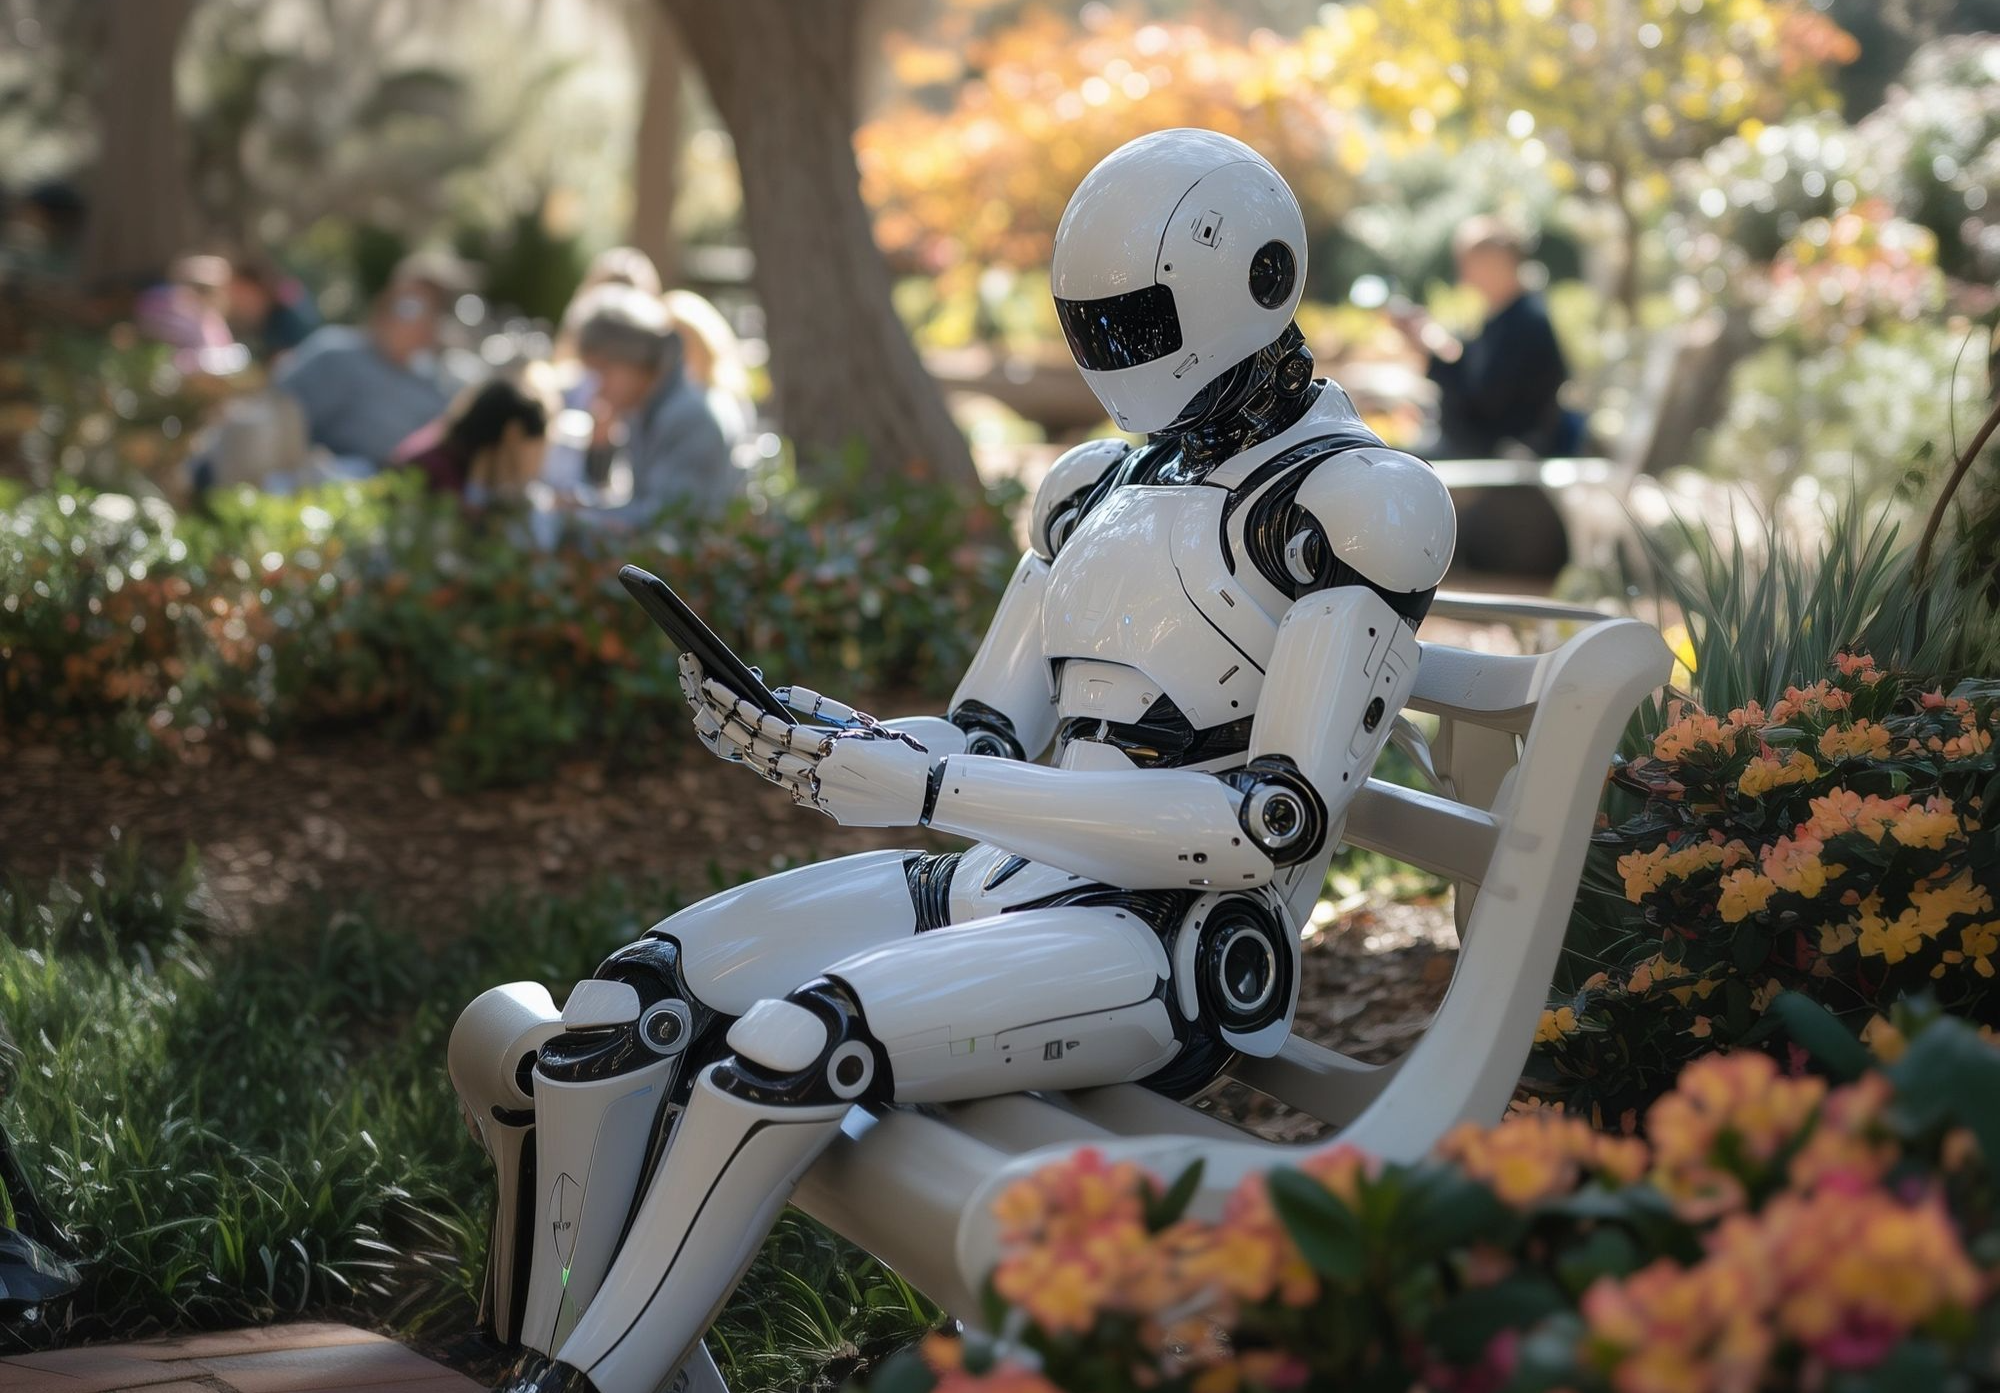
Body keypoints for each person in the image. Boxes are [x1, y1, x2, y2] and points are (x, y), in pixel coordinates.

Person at [451, 128, 1454, 1393]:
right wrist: (826, 742)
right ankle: (565, 1348)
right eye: (1088, 325)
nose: (1109, 356)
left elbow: (1271, 821)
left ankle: (584, 1382)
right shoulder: (1096, 486)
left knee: (789, 1047)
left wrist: (927, 790)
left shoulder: (1353, 501)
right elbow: (980, 733)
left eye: (1134, 324)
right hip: (994, 886)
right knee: (623, 1010)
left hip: (1165, 946)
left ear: (1249, 282)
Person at [272, 250, 476, 472]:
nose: (421, 320)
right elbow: (275, 418)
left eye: (433, 310)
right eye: (409, 305)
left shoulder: (437, 385)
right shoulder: (336, 356)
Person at [1395, 215, 1571, 459]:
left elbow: (1481, 404)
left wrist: (1432, 355)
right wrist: (1433, 346)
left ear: (1496, 262)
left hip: (1496, 465)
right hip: (1478, 451)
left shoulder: (1527, 322)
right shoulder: (1504, 317)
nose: (1463, 275)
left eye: (1467, 263)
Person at [566, 282, 738, 523]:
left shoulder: (690, 417)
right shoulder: (647, 409)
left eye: (603, 371)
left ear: (636, 359)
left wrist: (582, 516)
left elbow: (669, 522)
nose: (598, 388)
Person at [393, 377, 549, 506]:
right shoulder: (438, 472)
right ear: (513, 435)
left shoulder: (447, 449)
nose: (541, 461)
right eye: (537, 449)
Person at [226, 252, 321, 360]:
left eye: (240, 293)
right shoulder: (262, 323)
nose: (238, 303)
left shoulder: (287, 311)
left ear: (255, 286)